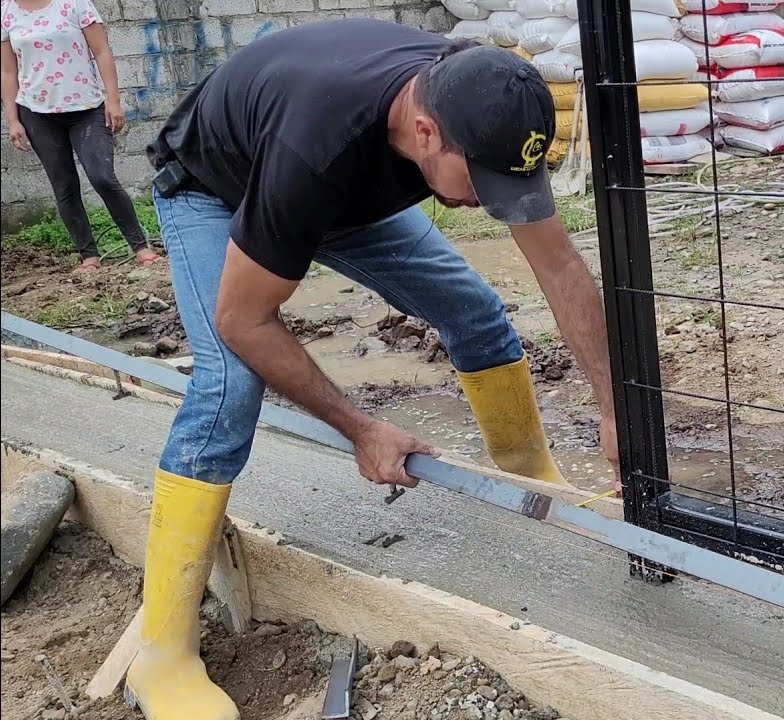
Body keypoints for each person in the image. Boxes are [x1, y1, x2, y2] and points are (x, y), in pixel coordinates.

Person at [126, 18, 619, 719]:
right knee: (229, 384)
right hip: (218, 190)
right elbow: (245, 320)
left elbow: (562, 268)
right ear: (425, 134)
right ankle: (162, 654)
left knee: (474, 310)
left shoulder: (479, 101)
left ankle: (532, 480)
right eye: (478, 182)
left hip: (338, 194)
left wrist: (610, 407)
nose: (487, 200)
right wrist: (363, 429)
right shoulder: (317, 145)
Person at [1, 0, 160, 272]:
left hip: (87, 107)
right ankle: (89, 257)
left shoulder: (75, 3)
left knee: (103, 177)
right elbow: (7, 71)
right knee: (64, 186)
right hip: (36, 112)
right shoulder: (5, 11)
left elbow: (101, 51)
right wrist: (13, 119)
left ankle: (141, 247)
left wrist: (113, 100)